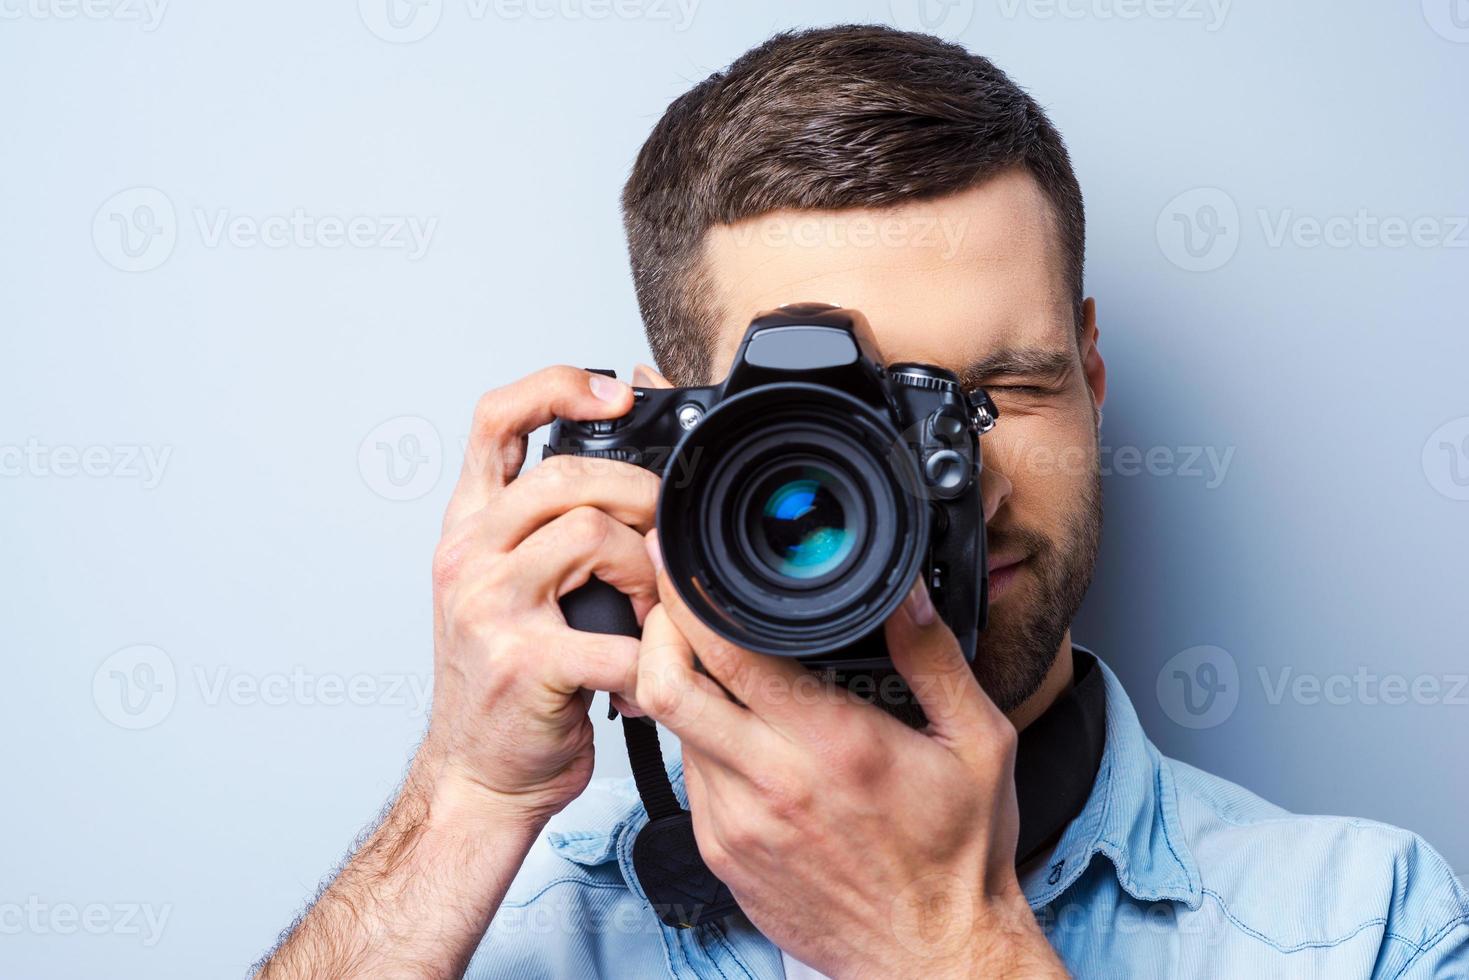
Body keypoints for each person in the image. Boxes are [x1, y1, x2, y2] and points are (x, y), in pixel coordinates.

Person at [256, 25, 1467, 979]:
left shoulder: (1364, 929)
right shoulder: (499, 923)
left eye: (999, 388)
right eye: (861, 424)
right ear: (684, 449)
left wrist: (947, 947)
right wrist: (465, 802)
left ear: (1091, 382)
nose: (958, 488)